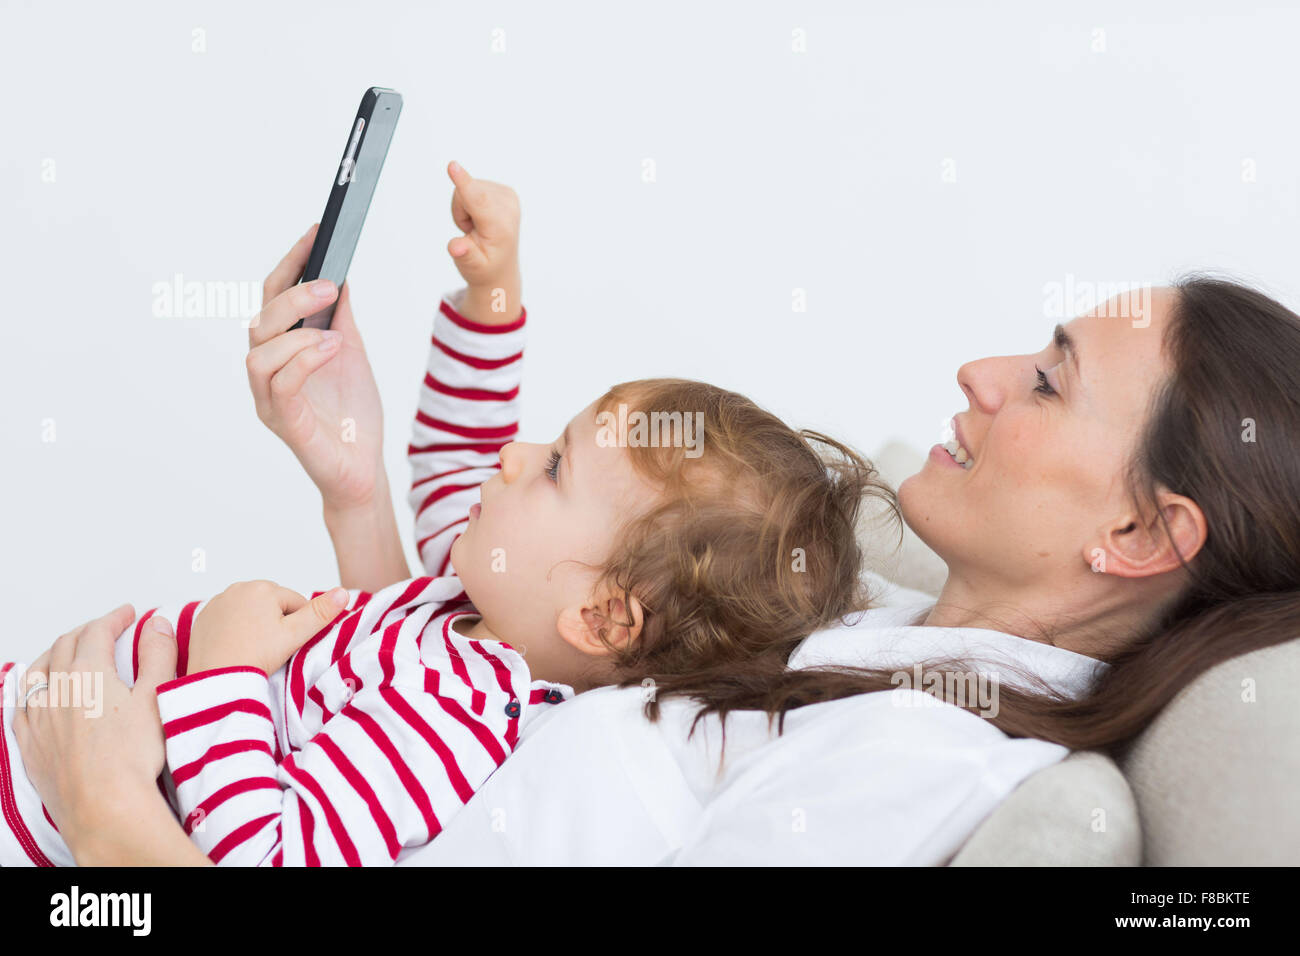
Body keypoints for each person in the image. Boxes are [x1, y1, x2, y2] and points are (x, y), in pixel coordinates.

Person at [18, 217, 1300, 863]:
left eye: (1047, 381)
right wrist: (356, 495)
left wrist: (117, 816)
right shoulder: (881, 635)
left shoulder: (923, 760)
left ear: (1137, 531)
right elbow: (445, 735)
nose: (980, 371)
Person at [2, 163, 886, 866]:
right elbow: (457, 459)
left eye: (552, 469)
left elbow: (265, 851)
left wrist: (224, 671)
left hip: (35, 807)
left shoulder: (455, 717)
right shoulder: (486, 609)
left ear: (604, 614)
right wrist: (488, 299)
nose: (512, 456)